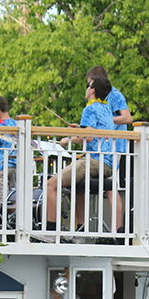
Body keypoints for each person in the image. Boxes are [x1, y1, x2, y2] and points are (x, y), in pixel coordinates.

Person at [43, 76, 117, 235]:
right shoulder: (107, 110)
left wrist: (68, 139)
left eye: (88, 86)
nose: (86, 89)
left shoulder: (89, 109)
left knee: (51, 185)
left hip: (94, 161)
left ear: (93, 90)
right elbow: (93, 132)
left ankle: (50, 232)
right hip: (108, 163)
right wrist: (79, 129)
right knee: (76, 188)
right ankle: (80, 230)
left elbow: (88, 137)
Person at [87, 65, 131, 233]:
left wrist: (107, 120)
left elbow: (127, 117)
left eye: (89, 85)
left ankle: (117, 231)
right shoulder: (101, 100)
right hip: (103, 147)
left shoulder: (115, 94)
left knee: (112, 188)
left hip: (114, 147)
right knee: (108, 187)